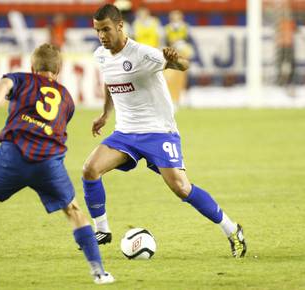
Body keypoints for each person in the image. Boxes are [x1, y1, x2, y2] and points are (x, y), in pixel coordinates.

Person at [0, 44, 114, 286]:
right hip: (48, 164)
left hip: (12, 158)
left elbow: (3, 84)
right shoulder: (67, 99)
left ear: (32, 67)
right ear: (59, 70)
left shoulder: (22, 79)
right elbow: (52, 131)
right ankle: (100, 273)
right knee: (74, 211)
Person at [83, 4, 247, 258]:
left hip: (158, 132)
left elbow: (183, 65)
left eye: (106, 29)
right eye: (97, 31)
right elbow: (109, 79)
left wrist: (174, 58)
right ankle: (101, 230)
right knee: (90, 169)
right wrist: (105, 113)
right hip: (125, 133)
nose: (102, 35)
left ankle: (232, 230)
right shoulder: (101, 55)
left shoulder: (142, 54)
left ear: (119, 26)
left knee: (182, 187)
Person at [164, 10, 193, 106]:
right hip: (173, 54)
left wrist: (179, 42)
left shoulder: (185, 27)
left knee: (184, 77)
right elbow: (166, 41)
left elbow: (188, 40)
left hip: (183, 53)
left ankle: (186, 98)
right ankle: (174, 98)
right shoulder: (168, 28)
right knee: (171, 78)